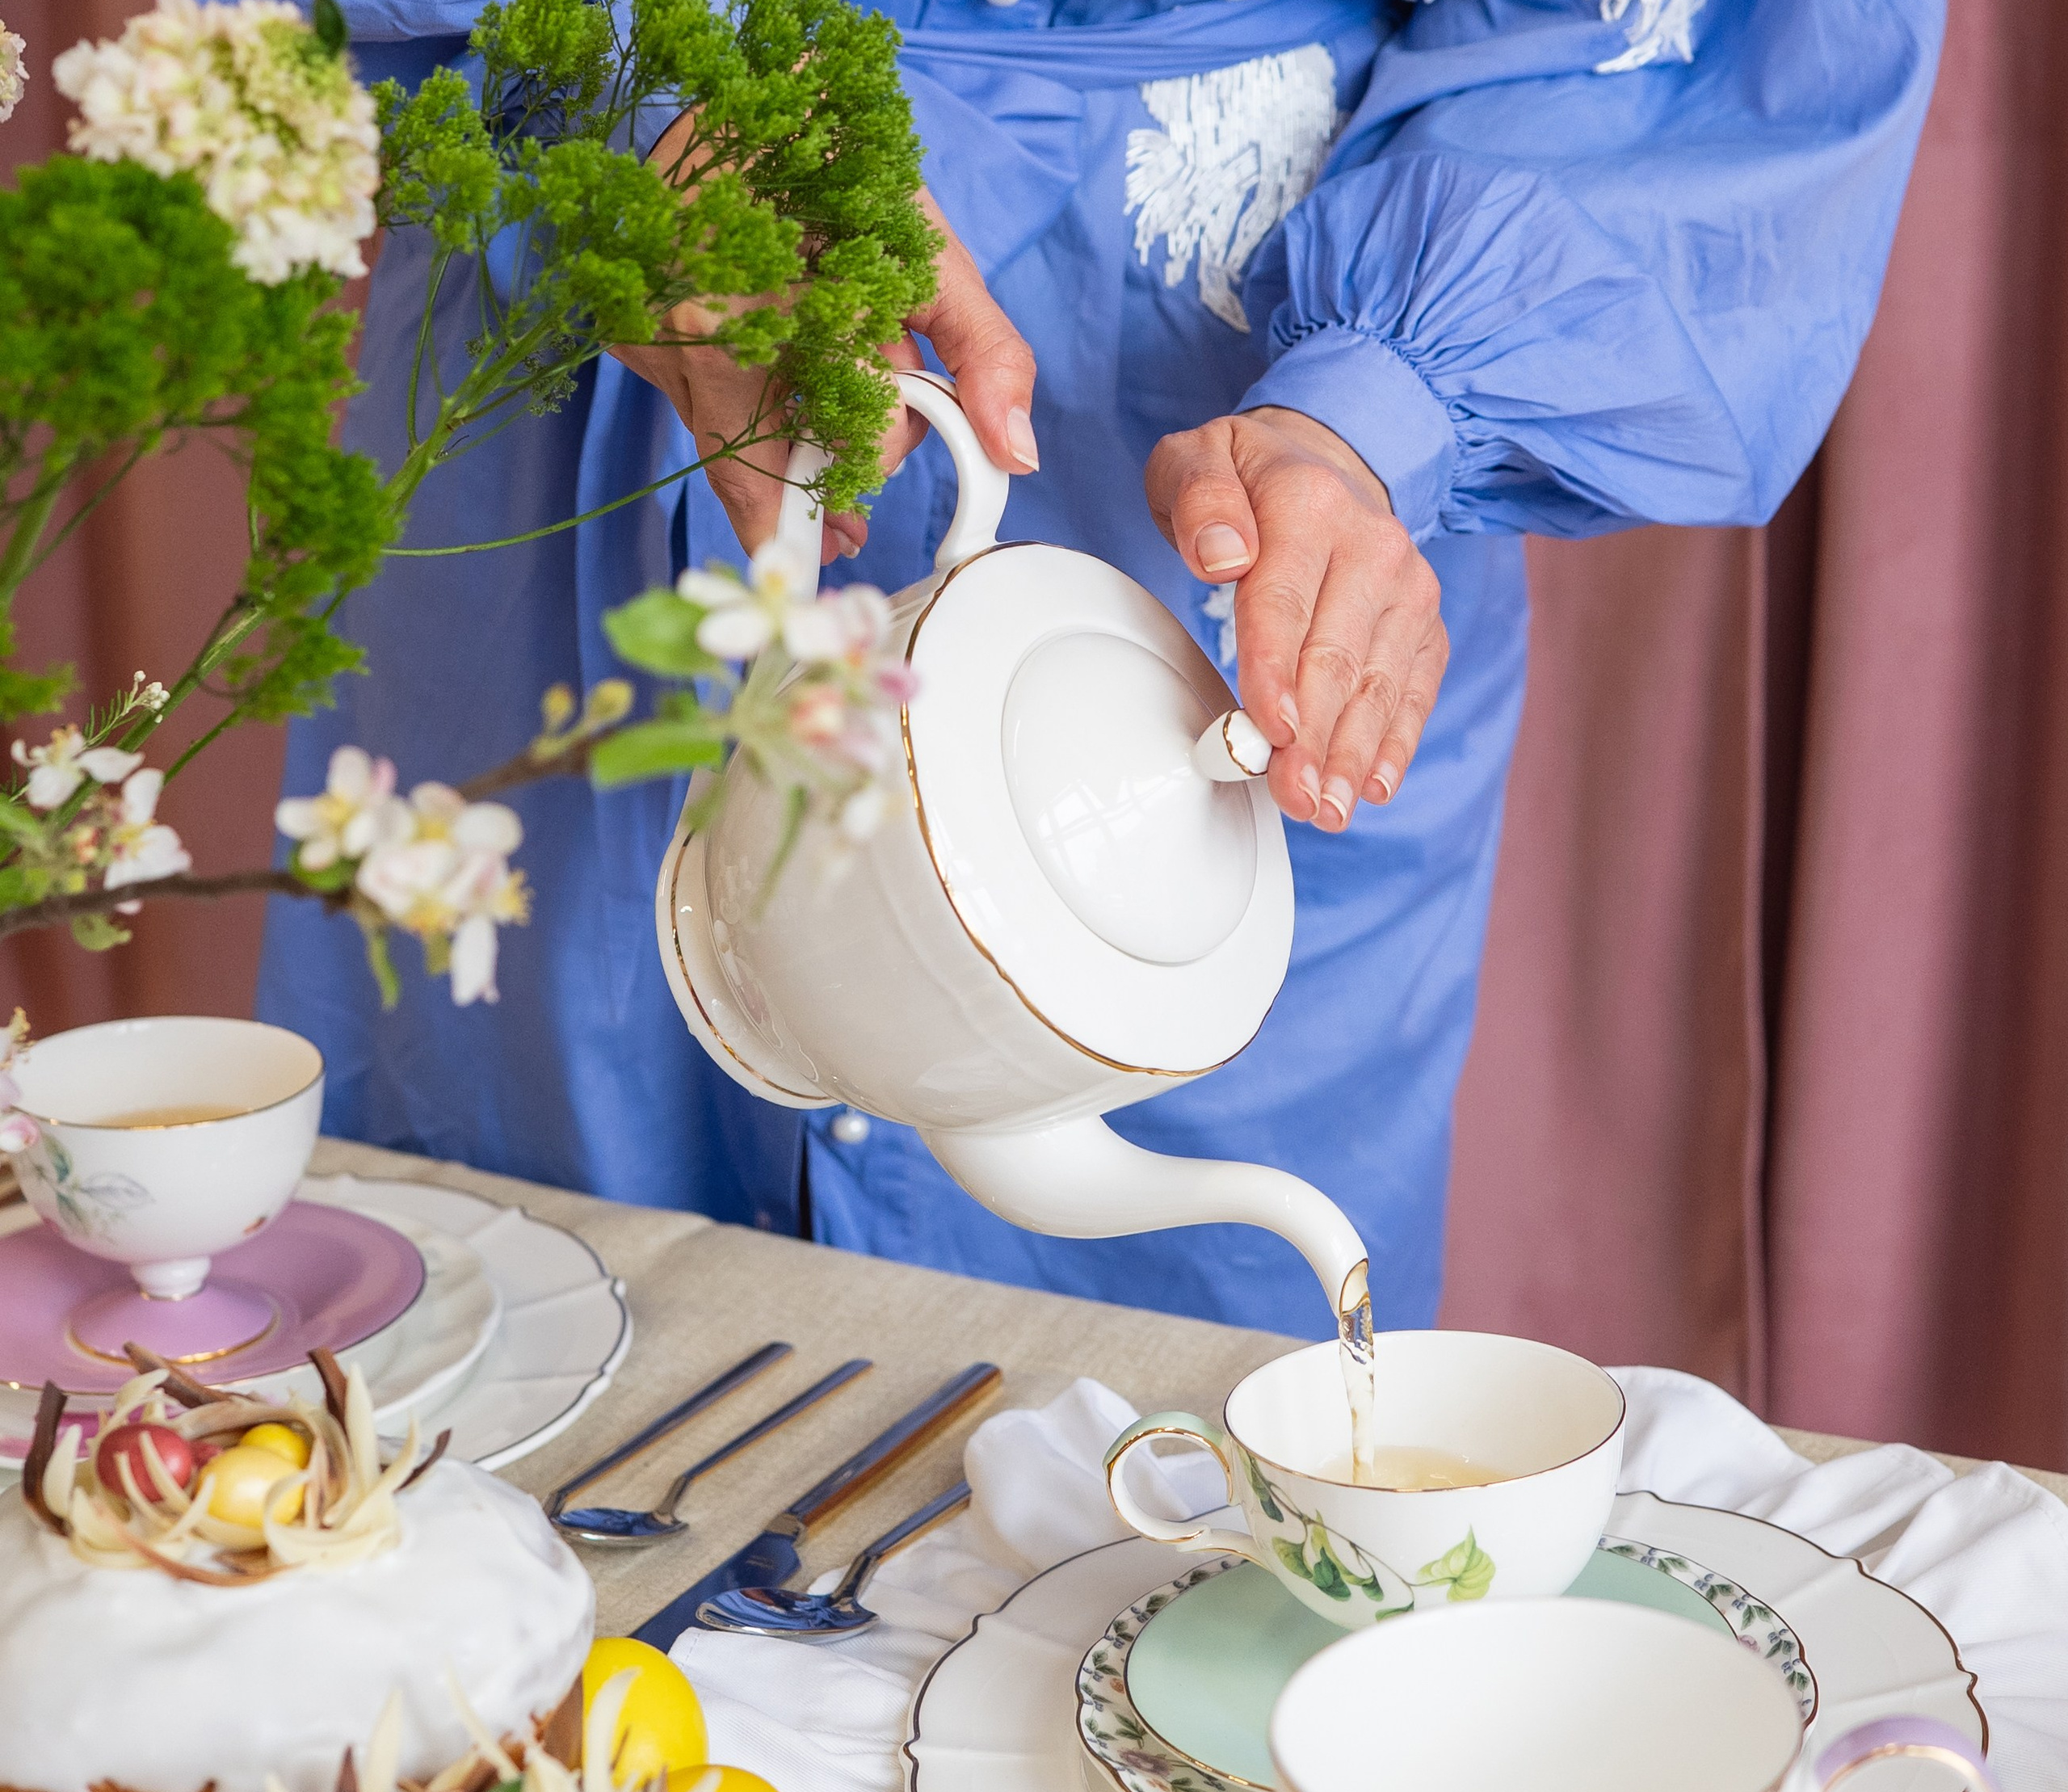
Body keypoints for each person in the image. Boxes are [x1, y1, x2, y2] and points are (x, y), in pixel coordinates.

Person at [261, 0, 1943, 1340]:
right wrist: (630, 117)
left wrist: (1376, 418)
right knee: (525, 1380)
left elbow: (1691, 42)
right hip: (601, 358)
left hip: (1237, 424)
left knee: (1161, 1502)